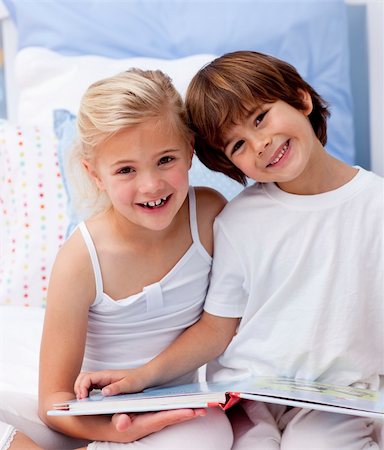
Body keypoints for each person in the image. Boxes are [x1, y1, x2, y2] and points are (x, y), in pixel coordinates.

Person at [74, 51, 383, 449]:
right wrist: (141, 376)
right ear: (229, 165)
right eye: (238, 144)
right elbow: (216, 329)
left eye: (260, 118)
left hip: (337, 399)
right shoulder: (238, 221)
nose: (261, 144)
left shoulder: (374, 205)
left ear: (302, 99)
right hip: (247, 399)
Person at [12, 68, 232, 450]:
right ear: (94, 174)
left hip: (174, 410)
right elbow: (53, 402)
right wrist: (113, 431)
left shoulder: (210, 215)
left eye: (165, 159)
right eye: (126, 170)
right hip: (90, 416)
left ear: (190, 150)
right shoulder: (82, 258)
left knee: (209, 435)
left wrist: (143, 380)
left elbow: (220, 325)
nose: (150, 186)